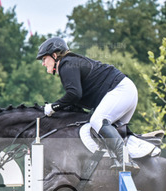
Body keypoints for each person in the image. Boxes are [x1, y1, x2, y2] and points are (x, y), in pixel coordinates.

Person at [36, 37, 139, 170]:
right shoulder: (70, 63)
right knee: (108, 133)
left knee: (97, 121)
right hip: (125, 91)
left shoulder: (66, 65)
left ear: (55, 55)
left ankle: (126, 160)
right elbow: (75, 101)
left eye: (44, 59)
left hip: (121, 90)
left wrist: (53, 107)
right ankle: (130, 160)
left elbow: (74, 94)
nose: (43, 63)